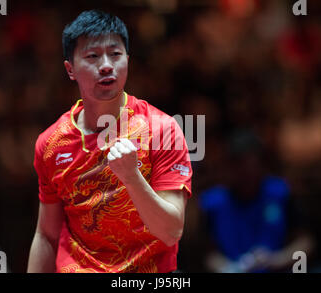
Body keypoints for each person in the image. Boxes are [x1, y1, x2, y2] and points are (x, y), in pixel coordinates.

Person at [27, 10, 192, 273]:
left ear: (127, 59)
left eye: (115, 54)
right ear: (70, 69)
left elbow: (172, 231)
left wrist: (131, 177)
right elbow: (46, 235)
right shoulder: (50, 144)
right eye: (92, 56)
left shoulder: (163, 130)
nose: (106, 65)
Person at [200, 131, 315, 273]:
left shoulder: (281, 193)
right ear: (229, 166)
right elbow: (209, 254)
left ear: (262, 164)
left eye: (252, 164)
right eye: (240, 164)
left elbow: (305, 242)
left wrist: (277, 259)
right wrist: (229, 269)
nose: (247, 171)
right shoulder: (212, 202)